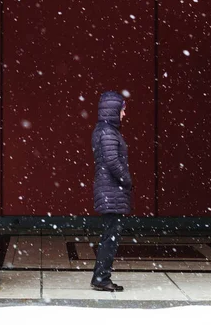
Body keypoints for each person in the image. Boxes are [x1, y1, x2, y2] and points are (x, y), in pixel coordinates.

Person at [90, 91, 132, 292]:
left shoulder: (104, 130)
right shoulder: (108, 132)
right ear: (114, 110)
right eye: (123, 110)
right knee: (110, 236)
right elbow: (112, 161)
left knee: (110, 235)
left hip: (109, 189)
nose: (124, 114)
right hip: (111, 189)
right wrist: (127, 179)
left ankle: (101, 276)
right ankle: (101, 278)